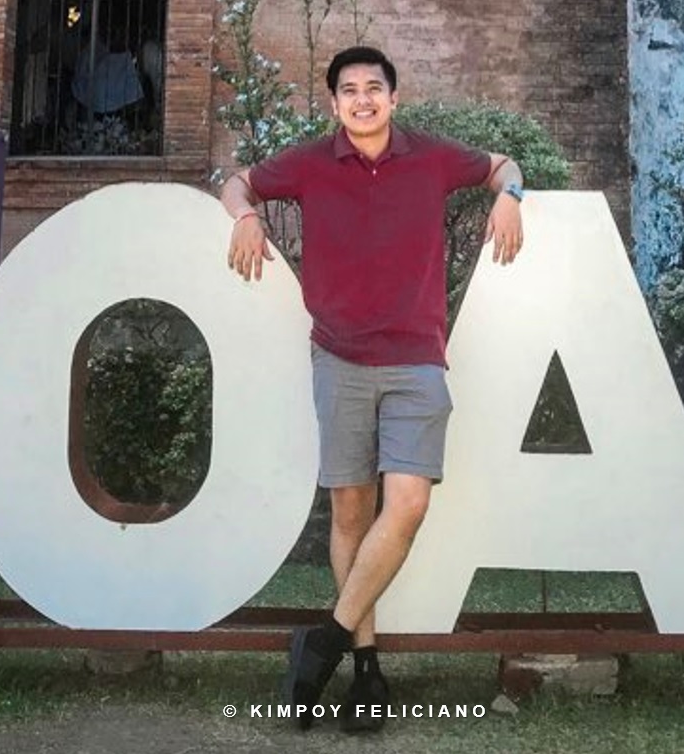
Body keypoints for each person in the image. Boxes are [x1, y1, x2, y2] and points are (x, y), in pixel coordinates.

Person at [219, 46, 525, 733]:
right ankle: (365, 668)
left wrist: (511, 196)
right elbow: (237, 183)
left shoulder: (431, 158)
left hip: (417, 360)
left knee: (408, 504)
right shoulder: (309, 163)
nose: (363, 99)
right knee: (352, 514)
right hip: (339, 359)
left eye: (374, 88)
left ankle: (321, 642)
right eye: (349, 90)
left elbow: (502, 165)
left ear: (393, 97)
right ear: (335, 104)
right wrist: (244, 215)